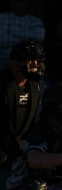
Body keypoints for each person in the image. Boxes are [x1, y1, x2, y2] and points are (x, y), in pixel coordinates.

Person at [0, 40, 45, 171]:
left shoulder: (36, 85)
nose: (35, 64)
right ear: (15, 64)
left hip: (21, 154)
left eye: (37, 60)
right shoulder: (2, 86)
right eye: (30, 60)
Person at [0, 0, 46, 69]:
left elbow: (40, 37)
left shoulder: (35, 21)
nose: (21, 2)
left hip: (29, 66)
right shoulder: (3, 18)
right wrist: (28, 40)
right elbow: (2, 39)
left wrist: (12, 32)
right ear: (11, 0)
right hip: (4, 64)